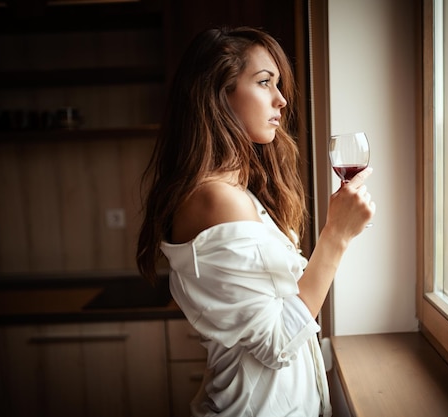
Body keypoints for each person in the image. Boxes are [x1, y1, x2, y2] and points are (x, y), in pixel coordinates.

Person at [136, 26, 375, 417]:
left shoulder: (236, 192)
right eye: (264, 82)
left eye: (278, 84)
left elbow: (278, 306)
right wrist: (336, 236)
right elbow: (278, 342)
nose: (281, 100)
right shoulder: (216, 199)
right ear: (219, 94)